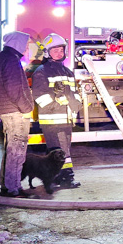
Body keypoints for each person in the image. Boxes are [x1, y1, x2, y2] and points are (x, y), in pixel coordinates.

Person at [32, 33, 82, 188]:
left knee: (57, 150)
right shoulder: (42, 71)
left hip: (66, 119)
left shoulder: (67, 72)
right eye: (55, 50)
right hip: (53, 120)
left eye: (61, 50)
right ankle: (67, 178)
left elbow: (75, 94)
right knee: (62, 151)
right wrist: (57, 99)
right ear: (47, 52)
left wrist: (76, 105)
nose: (59, 53)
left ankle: (55, 177)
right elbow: (40, 97)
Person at [0, 31, 35, 197]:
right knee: (17, 150)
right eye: (26, 45)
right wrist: (27, 108)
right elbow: (14, 89)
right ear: (17, 44)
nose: (27, 49)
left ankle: (7, 184)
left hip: (7, 111)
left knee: (10, 149)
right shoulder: (11, 60)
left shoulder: (3, 57)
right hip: (15, 112)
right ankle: (13, 188)